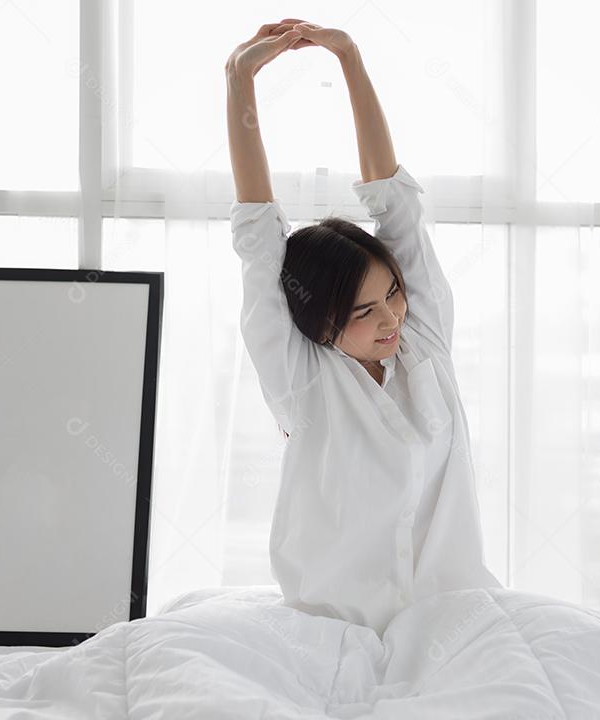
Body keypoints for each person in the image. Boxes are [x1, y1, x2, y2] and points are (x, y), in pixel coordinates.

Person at [225, 19, 501, 637]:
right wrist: (239, 78)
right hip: (332, 626)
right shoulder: (298, 376)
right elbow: (257, 235)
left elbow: (394, 202)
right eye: (362, 311)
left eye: (393, 294)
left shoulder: (424, 339)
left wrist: (348, 57)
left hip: (452, 615)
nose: (390, 318)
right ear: (319, 319)